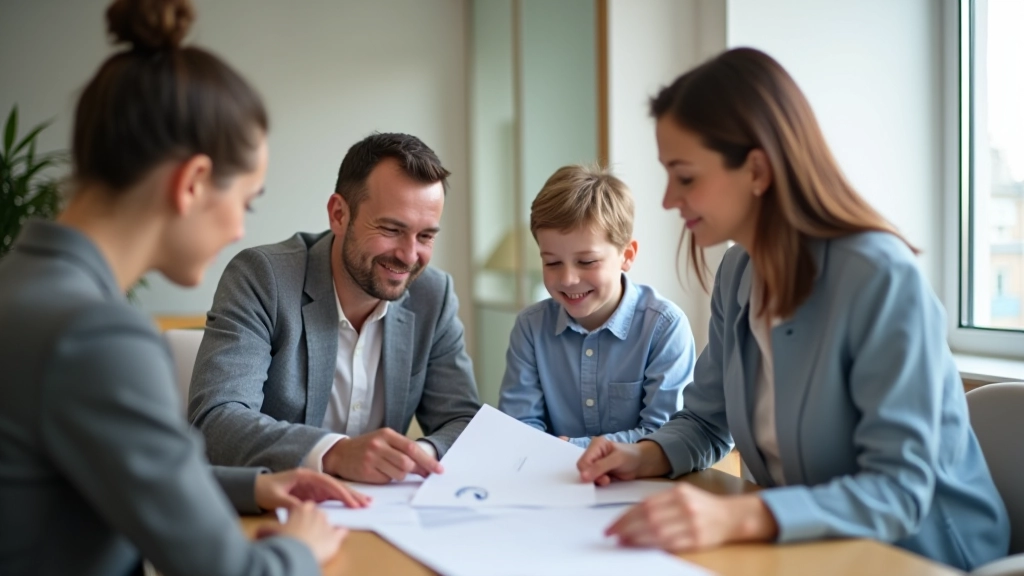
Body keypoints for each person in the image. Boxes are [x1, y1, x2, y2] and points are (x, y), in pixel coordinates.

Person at [575, 47, 1010, 571]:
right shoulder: (738, 272)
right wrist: (645, 455)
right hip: (812, 548)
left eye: (685, 177)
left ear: (757, 169)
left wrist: (736, 517)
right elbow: (707, 421)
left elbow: (898, 490)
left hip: (922, 558)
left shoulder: (879, 277)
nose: (668, 199)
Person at [0, 1, 367, 574]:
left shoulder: (24, 287)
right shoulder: (94, 335)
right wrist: (301, 547)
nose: (242, 229)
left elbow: (115, 473)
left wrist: (260, 486)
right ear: (193, 183)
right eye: (245, 202)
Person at [188, 132, 482, 484]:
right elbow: (216, 420)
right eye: (391, 229)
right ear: (339, 214)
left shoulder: (434, 296)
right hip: (276, 509)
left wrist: (420, 456)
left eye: (425, 236)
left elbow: (463, 421)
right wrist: (334, 453)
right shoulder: (264, 278)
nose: (409, 255)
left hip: (382, 514)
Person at [498, 165, 695, 447]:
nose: (568, 278)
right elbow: (519, 427)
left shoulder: (664, 327)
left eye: (587, 262)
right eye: (552, 262)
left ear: (626, 255)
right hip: (553, 483)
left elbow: (665, 435)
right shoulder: (531, 328)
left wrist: (572, 448)